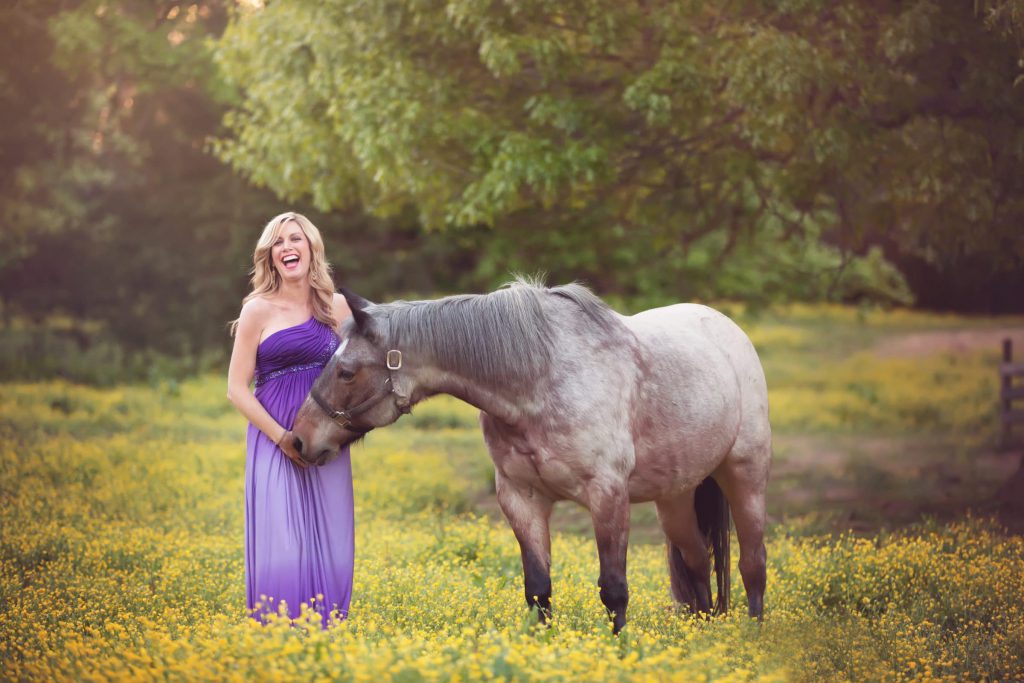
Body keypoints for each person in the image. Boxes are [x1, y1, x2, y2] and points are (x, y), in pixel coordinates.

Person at [226, 211, 354, 627]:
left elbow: (358, 372)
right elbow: (236, 389)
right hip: (274, 436)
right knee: (282, 539)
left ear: (311, 247)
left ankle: (325, 636)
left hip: (324, 437)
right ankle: (278, 636)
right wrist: (281, 436)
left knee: (330, 537)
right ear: (270, 256)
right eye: (278, 242)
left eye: (294, 239)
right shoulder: (257, 310)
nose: (286, 248)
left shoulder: (336, 307)